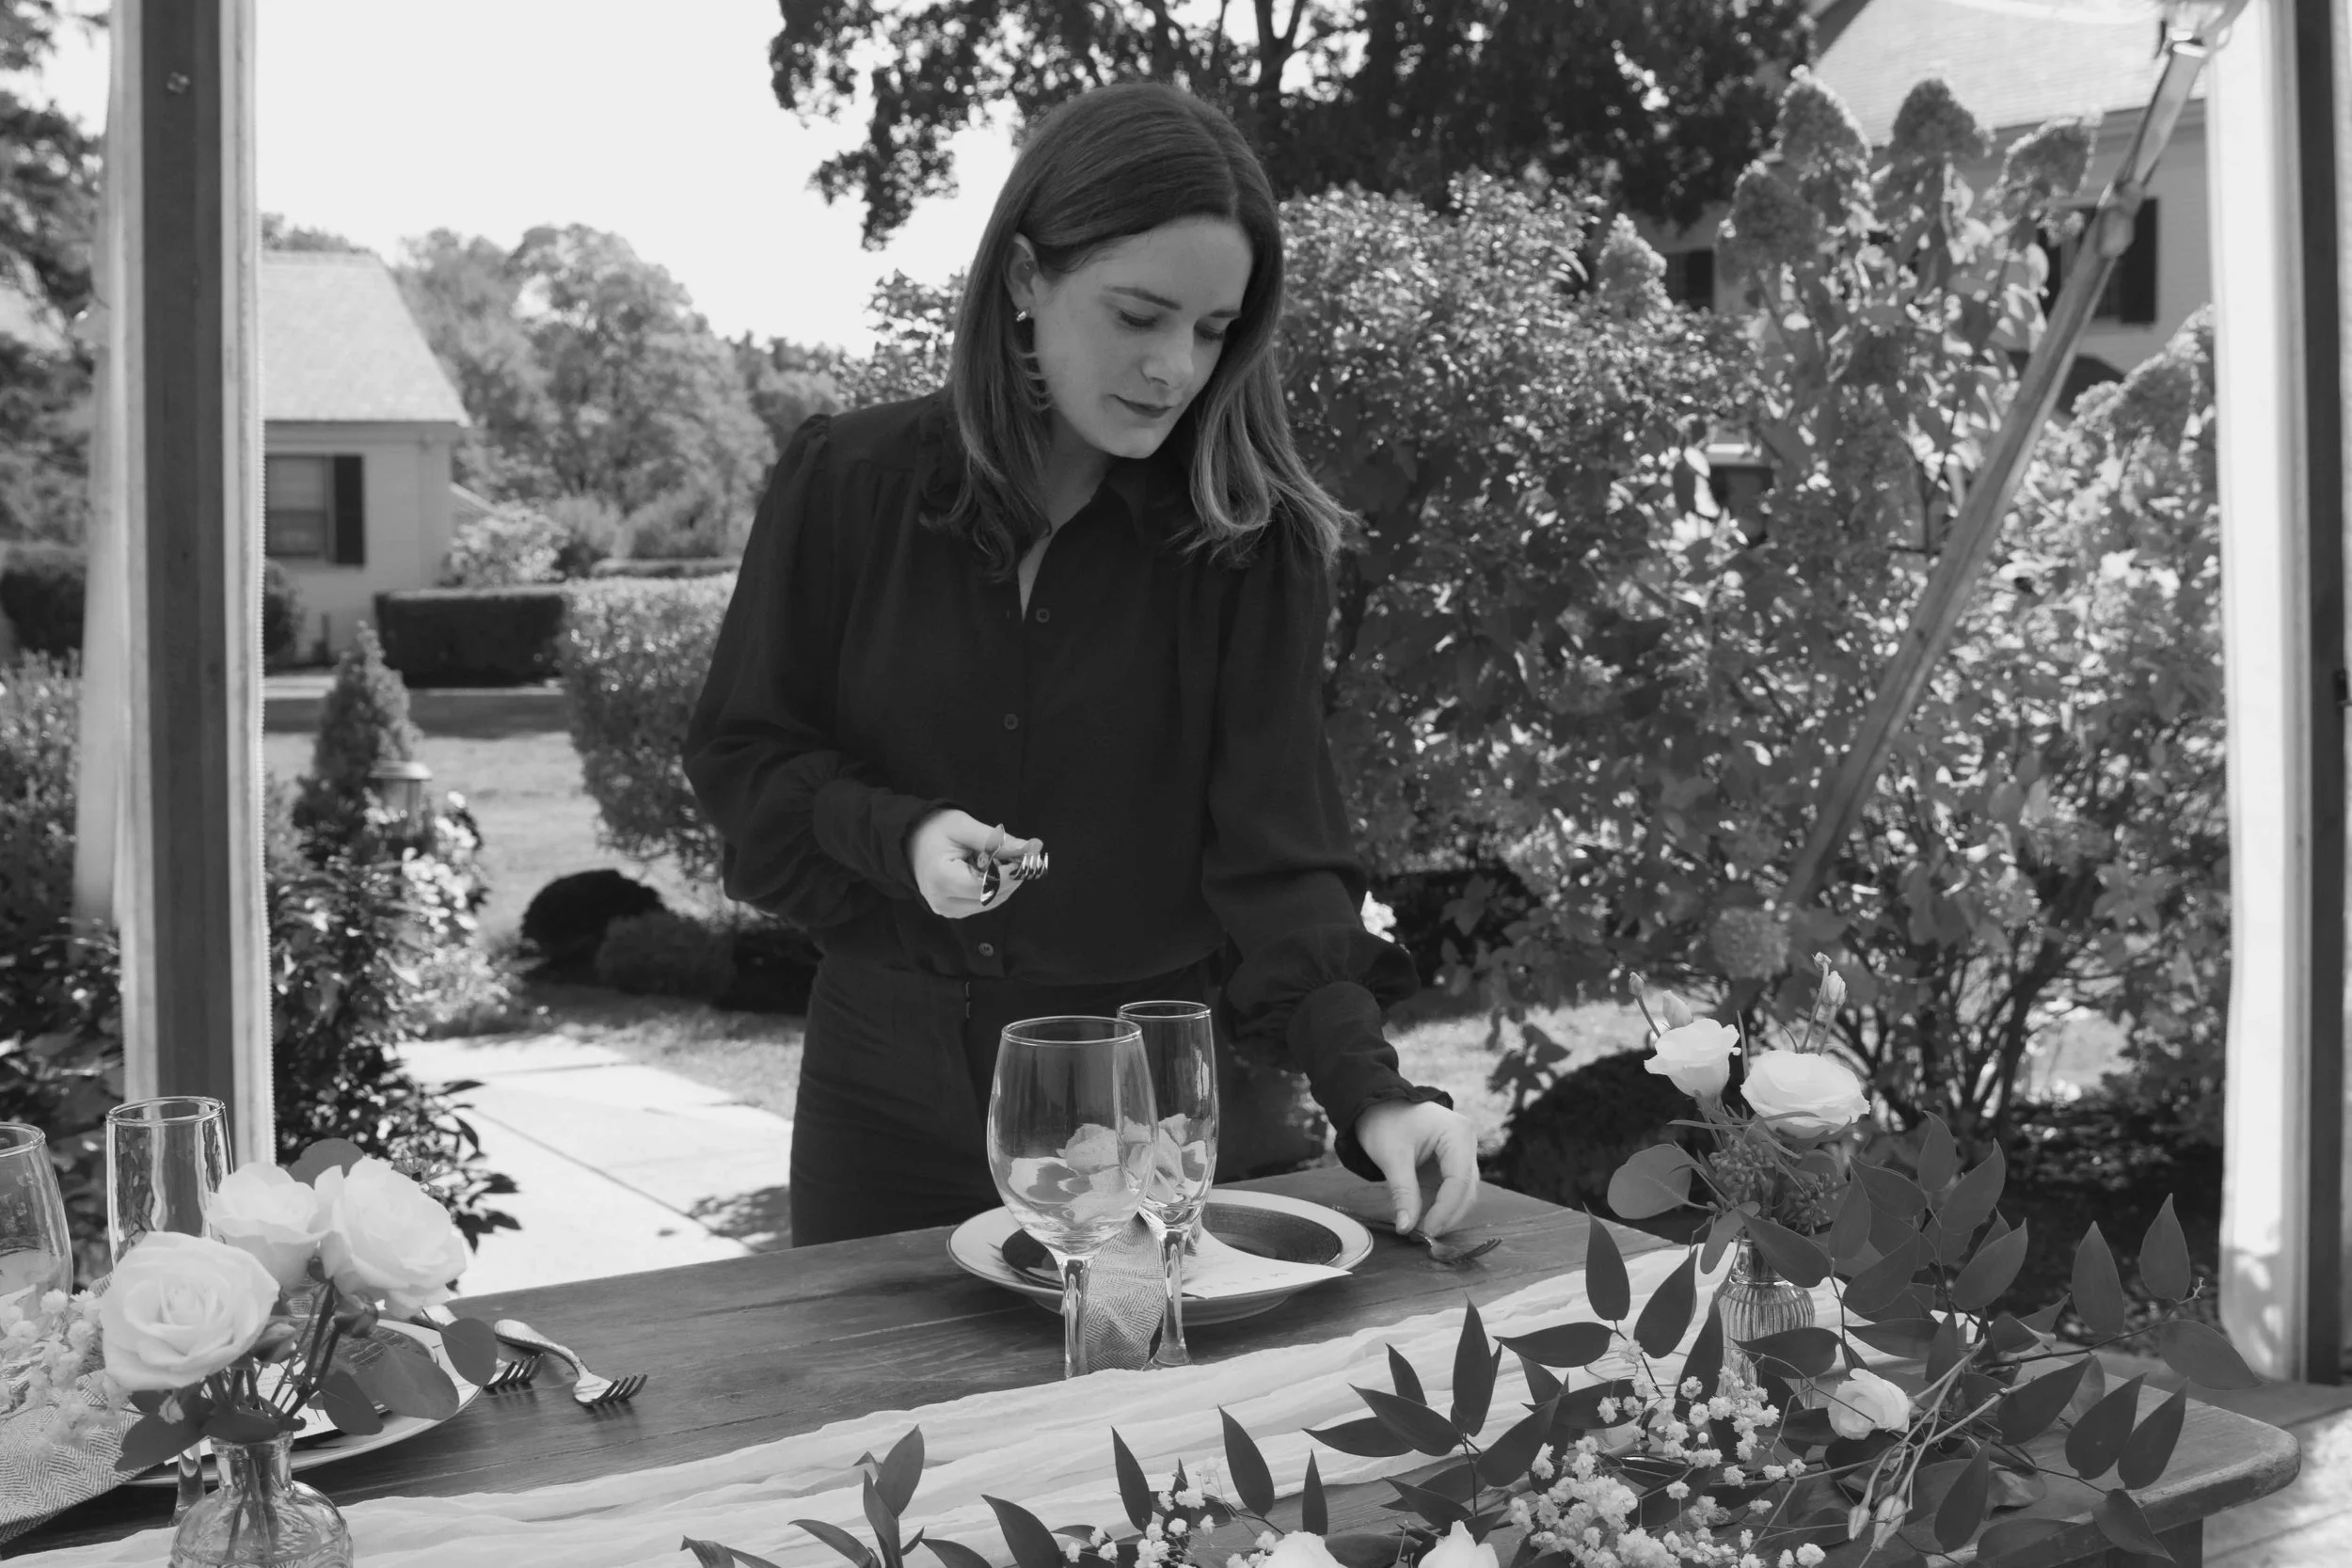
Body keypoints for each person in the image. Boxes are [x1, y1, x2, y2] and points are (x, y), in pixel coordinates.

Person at [682, 79, 1482, 1249]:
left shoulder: (1247, 548)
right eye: (1139, 315)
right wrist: (900, 835)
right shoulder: (847, 484)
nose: (1174, 368)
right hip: (875, 1086)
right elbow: (745, 761)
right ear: (1023, 277)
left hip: (1136, 1097)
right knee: (862, 1377)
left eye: (1211, 330)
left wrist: (1375, 1091)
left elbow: (1279, 863)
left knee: (1127, 1377)